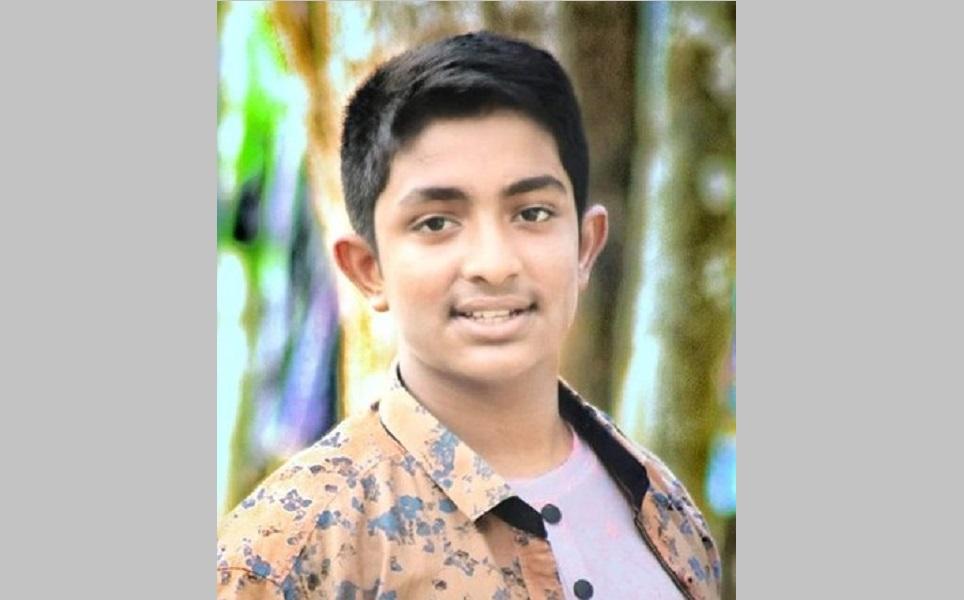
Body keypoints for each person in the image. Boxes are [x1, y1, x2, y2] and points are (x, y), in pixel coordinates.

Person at [217, 31, 722, 600]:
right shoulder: (289, 555)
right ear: (368, 268)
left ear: (584, 247)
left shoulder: (664, 509)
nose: (494, 264)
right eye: (436, 222)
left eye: (532, 213)